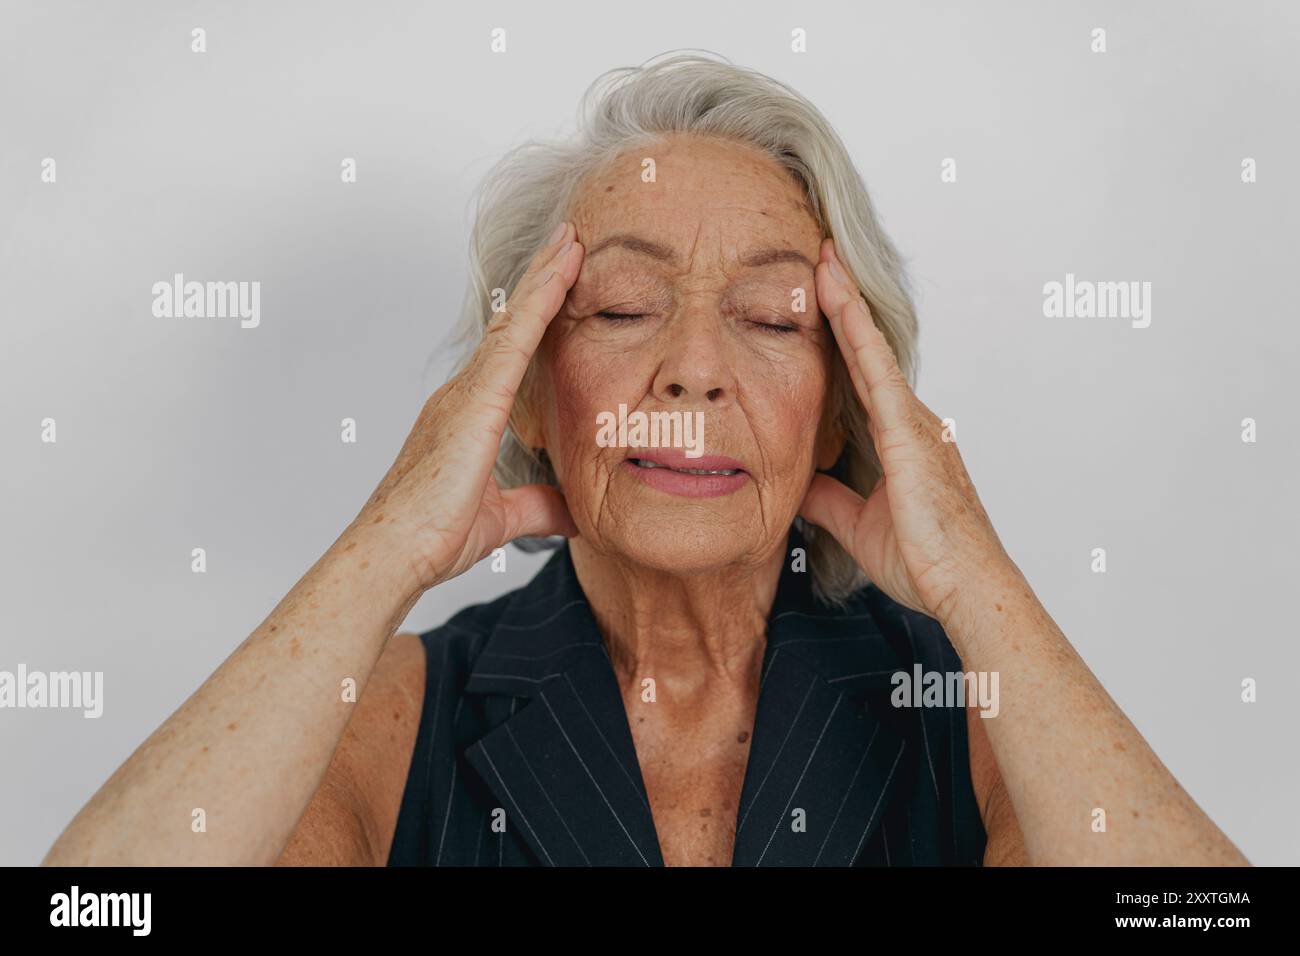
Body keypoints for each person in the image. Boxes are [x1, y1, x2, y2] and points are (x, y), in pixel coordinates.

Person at [43, 54, 1249, 867]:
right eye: (621, 308)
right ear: (523, 387)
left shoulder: (961, 708)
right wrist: (383, 547)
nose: (692, 370)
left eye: (775, 320)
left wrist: (976, 580)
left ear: (845, 410)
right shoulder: (398, 711)